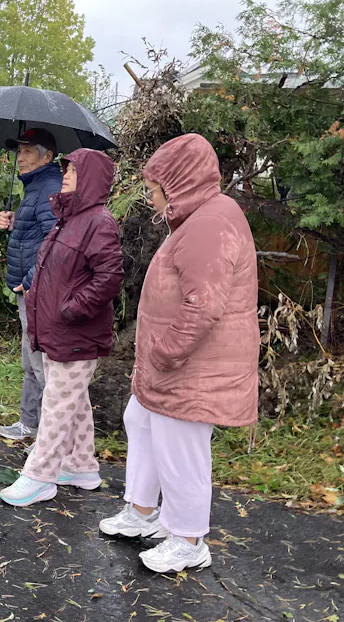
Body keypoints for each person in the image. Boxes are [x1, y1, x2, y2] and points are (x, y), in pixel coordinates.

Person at [98, 133, 259, 573]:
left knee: (181, 448)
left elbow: (203, 304)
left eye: (153, 190)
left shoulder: (209, 223)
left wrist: (165, 352)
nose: (151, 199)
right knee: (141, 420)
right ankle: (144, 512)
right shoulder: (200, 217)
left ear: (177, 184)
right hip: (177, 365)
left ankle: (189, 540)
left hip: (192, 367)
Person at [0, 148, 124, 507]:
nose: (64, 175)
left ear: (90, 179)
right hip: (57, 328)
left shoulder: (99, 222)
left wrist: (71, 310)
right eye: (66, 169)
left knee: (56, 402)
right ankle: (81, 466)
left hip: (76, 331)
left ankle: (39, 476)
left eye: (71, 171)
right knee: (74, 399)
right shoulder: (68, 218)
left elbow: (109, 277)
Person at [0, 129, 61, 444]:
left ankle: (50, 437)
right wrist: (13, 221)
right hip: (29, 291)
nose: (19, 158)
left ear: (46, 156)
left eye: (27, 152)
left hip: (37, 291)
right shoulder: (35, 188)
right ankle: (29, 423)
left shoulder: (49, 188)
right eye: (18, 152)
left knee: (40, 363)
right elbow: (35, 233)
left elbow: (56, 242)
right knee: (30, 358)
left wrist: (29, 282)